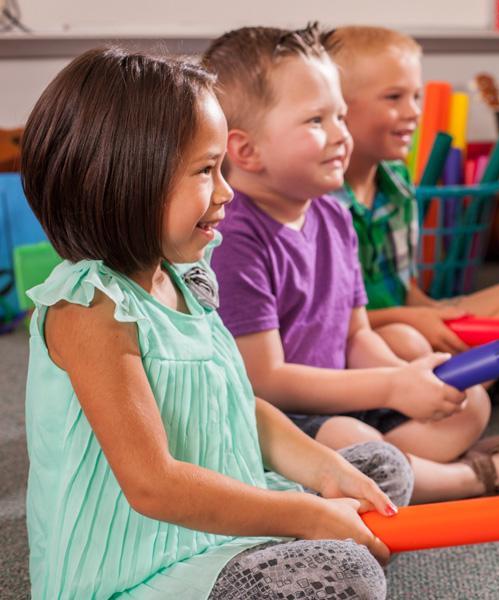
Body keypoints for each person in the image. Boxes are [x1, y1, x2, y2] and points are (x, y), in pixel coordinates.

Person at [21, 47, 416, 600]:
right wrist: (304, 514)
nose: (227, 193)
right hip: (146, 564)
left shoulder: (185, 275)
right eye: (207, 171)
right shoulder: (91, 309)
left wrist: (325, 471)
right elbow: (153, 487)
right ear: (127, 180)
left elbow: (234, 403)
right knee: (347, 576)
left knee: (379, 469)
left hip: (226, 518)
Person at [202, 24, 499, 505]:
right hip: (280, 420)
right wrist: (392, 385)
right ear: (245, 150)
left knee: (469, 401)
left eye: (341, 117)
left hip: (347, 395)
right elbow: (266, 381)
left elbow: (356, 335)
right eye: (316, 122)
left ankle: (406, 472)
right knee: (354, 442)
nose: (340, 136)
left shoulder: (332, 210)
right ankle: (468, 478)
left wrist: (409, 382)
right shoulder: (234, 238)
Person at [325, 25, 499, 404]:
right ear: (338, 108)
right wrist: (413, 320)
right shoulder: (321, 202)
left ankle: (463, 386)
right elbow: (330, 323)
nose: (414, 112)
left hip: (407, 321)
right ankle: (465, 389)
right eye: (394, 97)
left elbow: (406, 288)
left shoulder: (397, 179)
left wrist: (435, 312)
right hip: (355, 342)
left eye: (416, 96)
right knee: (404, 341)